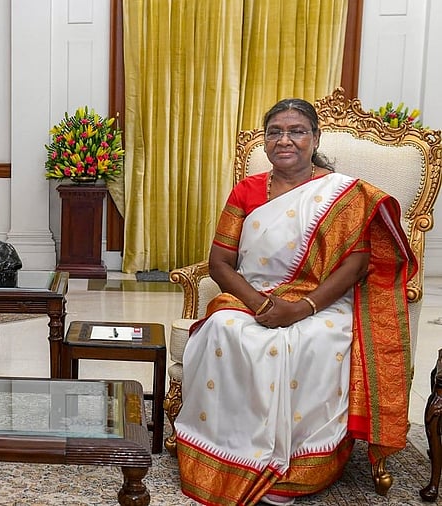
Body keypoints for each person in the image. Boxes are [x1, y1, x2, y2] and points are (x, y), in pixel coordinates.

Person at [174, 98, 415, 505]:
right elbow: (219, 263)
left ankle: (299, 467)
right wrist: (260, 305)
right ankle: (230, 452)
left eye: (297, 131)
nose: (285, 140)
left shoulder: (344, 196)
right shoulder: (247, 190)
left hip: (322, 301)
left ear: (315, 138)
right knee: (222, 328)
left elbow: (356, 266)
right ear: (265, 142)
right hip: (254, 296)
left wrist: (302, 309)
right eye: (275, 132)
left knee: (317, 341)